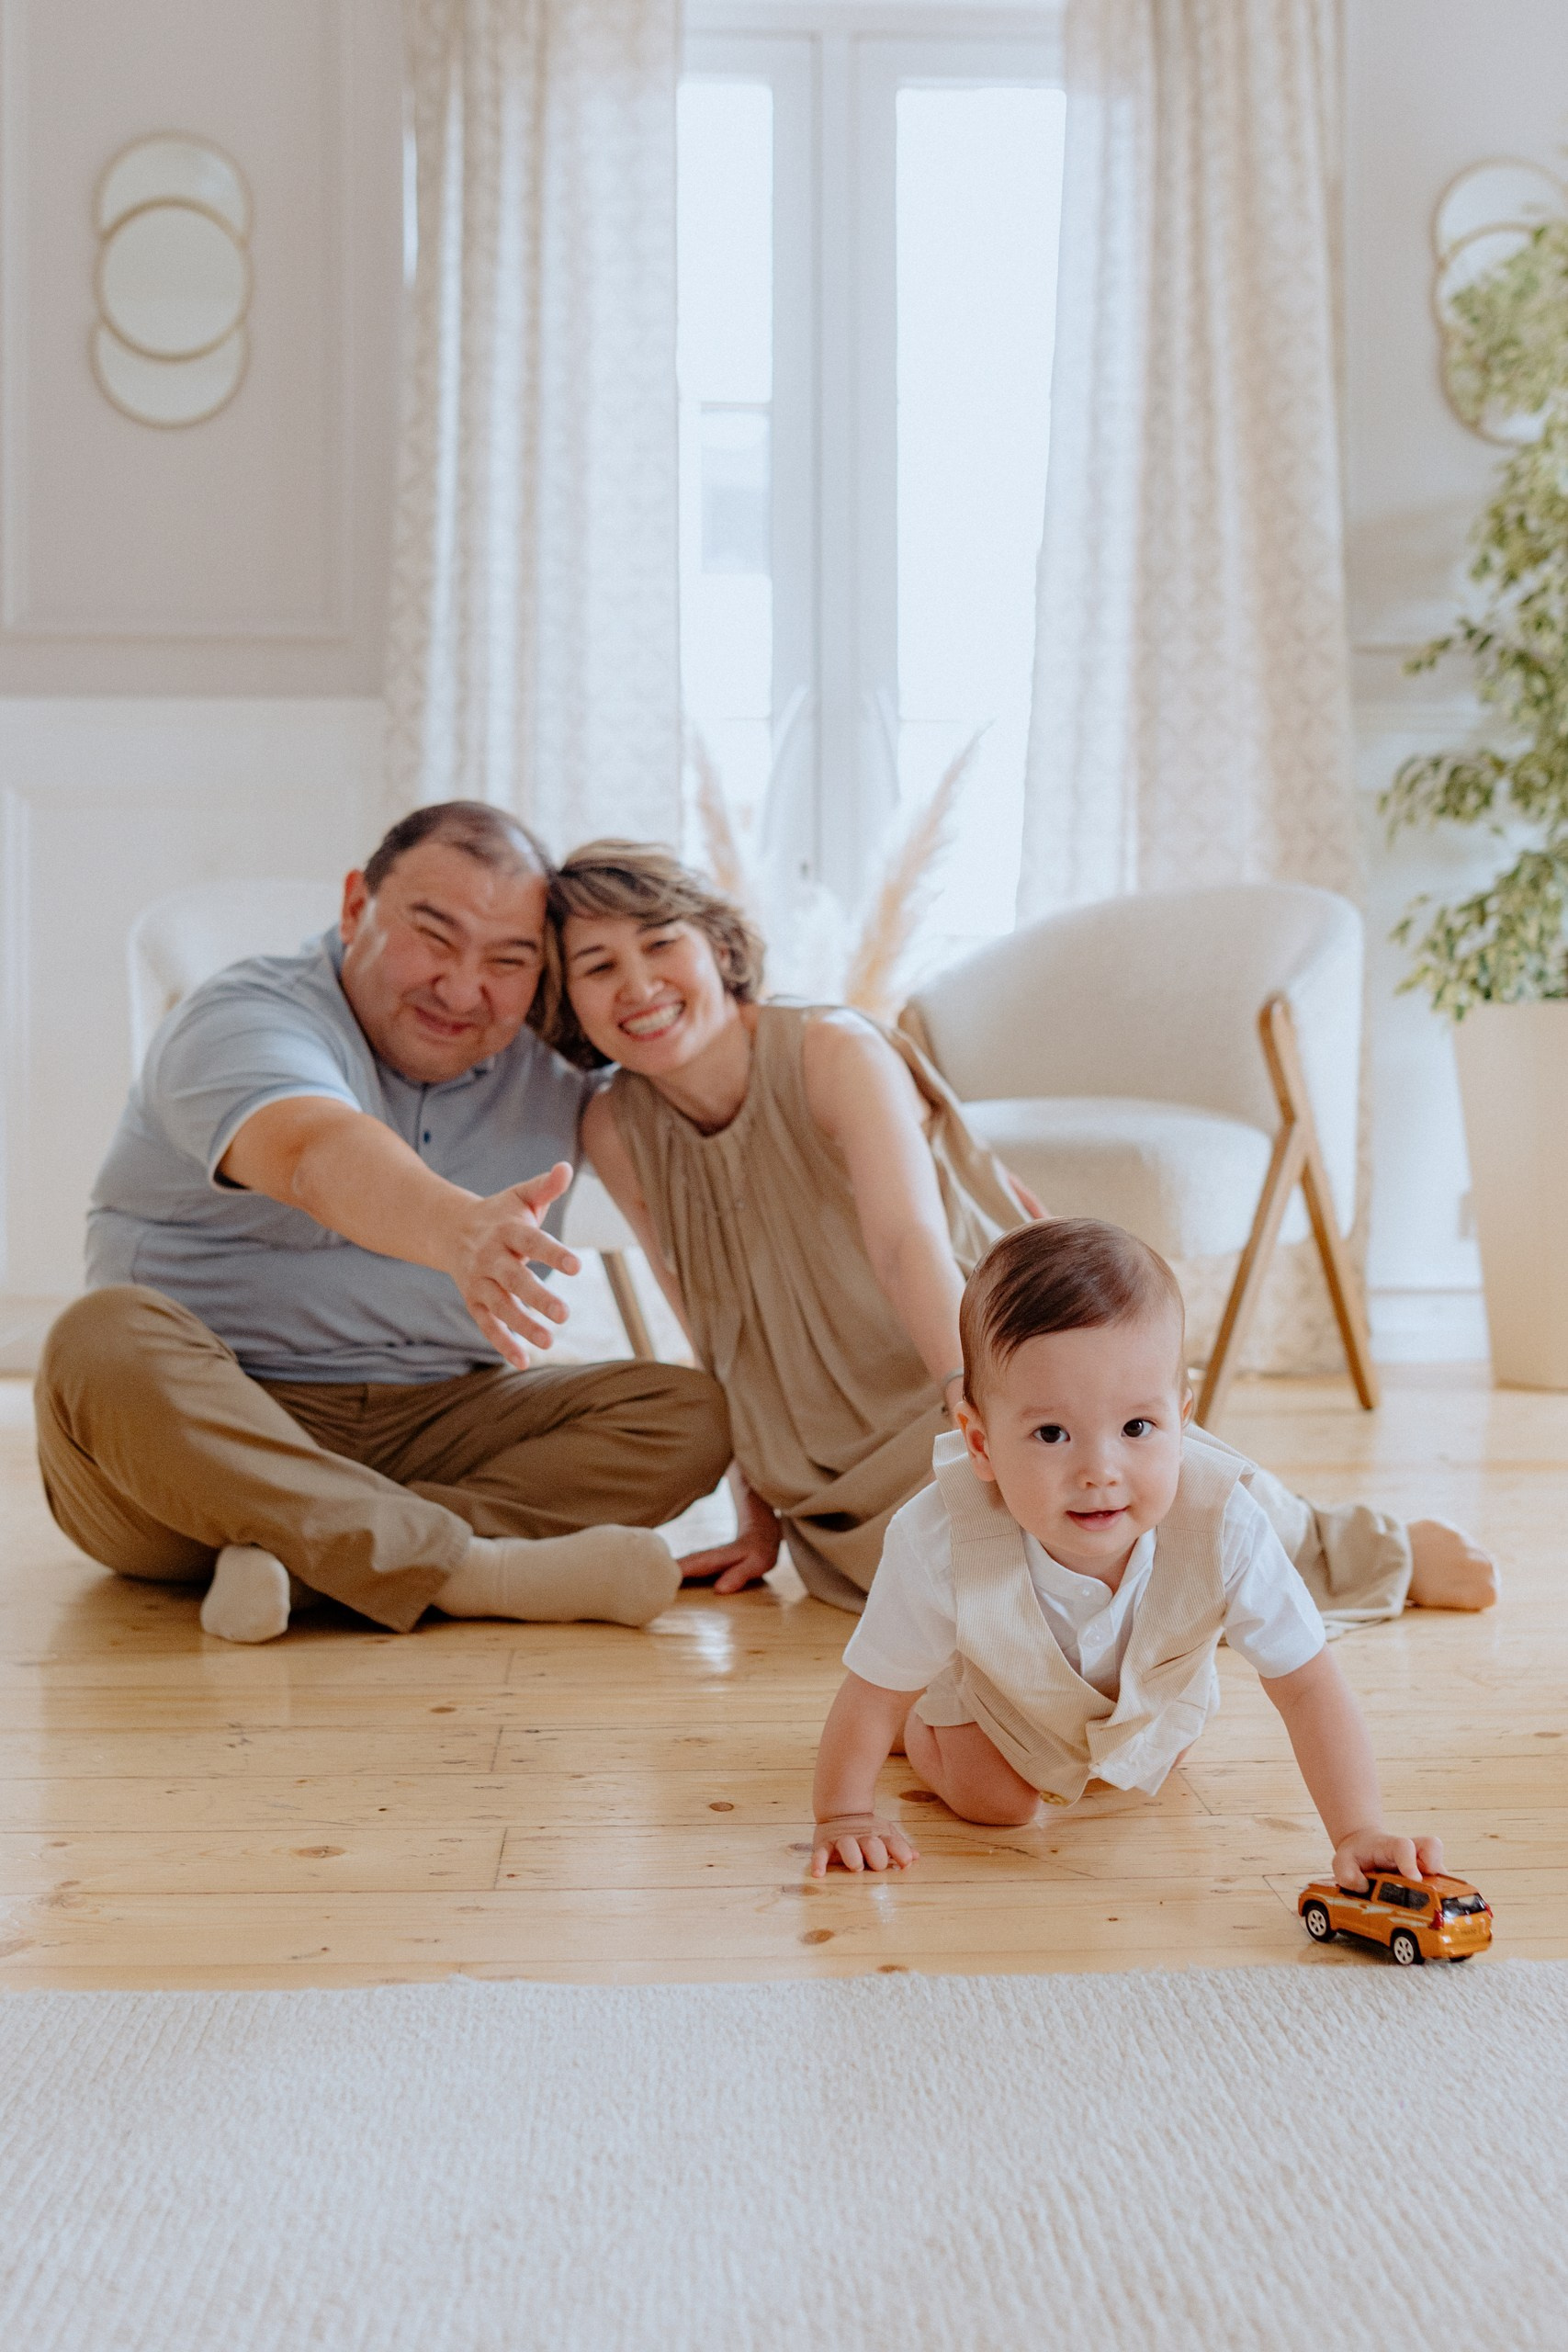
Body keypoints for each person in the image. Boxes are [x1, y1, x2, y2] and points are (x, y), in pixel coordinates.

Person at [546, 838, 1497, 1623]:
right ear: (571, 1001)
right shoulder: (613, 1126)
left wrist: (982, 1412)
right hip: (825, 1457)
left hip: (963, 1366)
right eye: (597, 965)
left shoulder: (832, 1050)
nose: (637, 983)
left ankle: (1363, 1548)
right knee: (967, 1597)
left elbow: (907, 1242)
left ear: (717, 944)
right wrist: (756, 1510)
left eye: (660, 943)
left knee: (1118, 1506)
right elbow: (708, 1318)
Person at [33, 803, 729, 1644]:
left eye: (508, 960)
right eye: (434, 937)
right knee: (101, 1338)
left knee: (688, 1413)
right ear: (356, 906)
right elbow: (313, 1152)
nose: (463, 988)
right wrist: (459, 1230)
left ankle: (307, 1564)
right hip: (203, 1443)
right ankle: (476, 1569)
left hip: (436, 1417)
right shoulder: (243, 1017)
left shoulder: (553, 1059)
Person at [809, 1219, 1444, 1888]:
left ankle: (1110, 1739)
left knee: (1147, 1765)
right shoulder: (941, 1539)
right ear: (979, 1443)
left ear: (1183, 1419)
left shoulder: (1223, 1521)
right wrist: (843, 1814)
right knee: (996, 1803)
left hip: (1142, 1697)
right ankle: (928, 1730)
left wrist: (1357, 1829)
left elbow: (1307, 1685)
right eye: (1051, 1433)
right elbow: (873, 1694)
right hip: (997, 1695)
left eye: (1137, 1427)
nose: (1099, 1470)